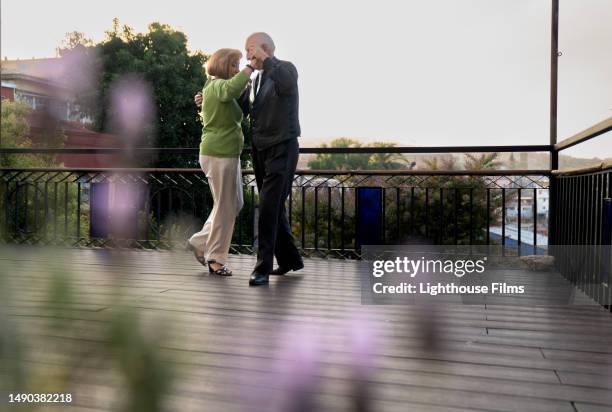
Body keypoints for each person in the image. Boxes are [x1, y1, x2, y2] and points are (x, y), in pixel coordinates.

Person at [188, 48, 255, 276]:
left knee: (233, 204)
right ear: (222, 65)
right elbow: (230, 88)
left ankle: (199, 242)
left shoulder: (212, 89)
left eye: (239, 65)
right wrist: (251, 67)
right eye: (234, 65)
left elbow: (238, 102)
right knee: (225, 205)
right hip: (219, 153)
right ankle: (215, 258)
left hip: (227, 153)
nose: (237, 69)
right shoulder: (217, 85)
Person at [244, 32, 304, 286]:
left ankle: (262, 268)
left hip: (282, 148)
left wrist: (267, 59)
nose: (247, 55)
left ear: (264, 48)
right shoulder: (256, 79)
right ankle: (290, 259)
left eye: (250, 49)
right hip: (260, 150)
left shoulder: (285, 69)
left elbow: (287, 85)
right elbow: (244, 111)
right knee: (274, 206)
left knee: (268, 207)